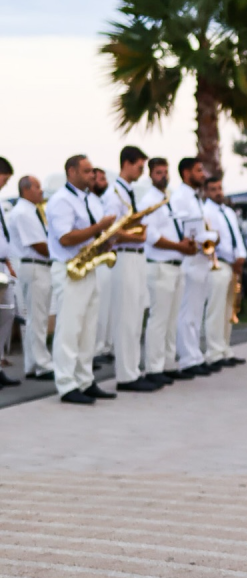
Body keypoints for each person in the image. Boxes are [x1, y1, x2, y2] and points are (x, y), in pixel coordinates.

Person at [46, 155, 119, 404]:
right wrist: (99, 226)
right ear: (72, 171)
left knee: (89, 329)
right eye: (87, 171)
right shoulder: (60, 201)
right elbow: (66, 238)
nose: (92, 175)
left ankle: (85, 380)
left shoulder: (92, 200)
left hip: (89, 268)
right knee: (69, 329)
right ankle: (67, 385)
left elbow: (95, 235)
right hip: (69, 269)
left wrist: (108, 238)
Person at [103, 145, 160, 392]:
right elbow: (109, 230)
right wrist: (134, 236)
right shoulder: (112, 193)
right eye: (139, 166)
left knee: (137, 316)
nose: (141, 171)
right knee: (126, 317)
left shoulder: (131, 191)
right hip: (123, 255)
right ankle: (125, 375)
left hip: (137, 256)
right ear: (127, 163)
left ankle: (134, 370)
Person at [142, 157, 197, 386]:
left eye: (165, 171)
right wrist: (178, 246)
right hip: (160, 266)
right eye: (158, 172)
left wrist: (186, 243)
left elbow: (176, 228)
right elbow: (152, 237)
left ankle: (167, 363)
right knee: (159, 319)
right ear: (150, 175)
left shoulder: (170, 199)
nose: (163, 176)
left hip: (176, 264)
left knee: (172, 319)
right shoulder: (148, 200)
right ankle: (153, 368)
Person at [170, 157, 216, 377]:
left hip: (201, 260)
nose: (203, 175)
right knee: (187, 312)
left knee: (197, 312)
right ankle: (187, 359)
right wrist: (205, 237)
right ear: (186, 173)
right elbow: (180, 229)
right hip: (189, 259)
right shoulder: (180, 197)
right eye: (199, 170)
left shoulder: (195, 197)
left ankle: (196, 355)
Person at [8, 175, 53, 381]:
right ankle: (42, 364)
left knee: (35, 318)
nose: (41, 191)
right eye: (37, 187)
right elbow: (39, 245)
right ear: (26, 189)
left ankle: (32, 364)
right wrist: (62, 252)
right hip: (35, 266)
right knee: (38, 318)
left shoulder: (29, 210)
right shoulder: (24, 212)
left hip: (35, 267)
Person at [202, 176, 247, 369]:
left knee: (230, 309)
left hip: (233, 264)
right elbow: (213, 241)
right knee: (216, 309)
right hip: (217, 263)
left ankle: (225, 348)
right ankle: (214, 352)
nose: (218, 192)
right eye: (213, 189)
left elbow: (235, 236)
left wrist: (241, 256)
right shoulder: (206, 212)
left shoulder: (228, 211)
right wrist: (231, 256)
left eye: (219, 188)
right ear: (206, 191)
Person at [90, 166, 114, 364]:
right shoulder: (89, 201)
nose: (104, 182)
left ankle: (105, 345)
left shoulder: (102, 201)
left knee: (107, 305)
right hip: (93, 259)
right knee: (97, 307)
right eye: (100, 178)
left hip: (105, 256)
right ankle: (96, 349)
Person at [0, 157, 19, 386]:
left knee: (7, 314)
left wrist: (8, 261)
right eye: (4, 178)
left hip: (3, 265)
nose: (5, 184)